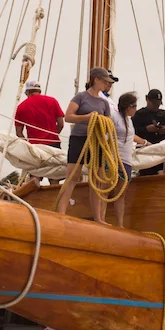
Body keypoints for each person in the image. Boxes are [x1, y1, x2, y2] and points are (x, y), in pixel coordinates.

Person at [54, 68, 116, 223]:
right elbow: (68, 117)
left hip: (97, 142)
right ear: (96, 80)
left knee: (97, 180)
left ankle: (98, 218)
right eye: (104, 81)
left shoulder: (104, 102)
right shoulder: (81, 97)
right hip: (79, 139)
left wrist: (103, 124)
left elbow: (108, 122)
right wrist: (87, 117)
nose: (107, 84)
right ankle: (61, 213)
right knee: (72, 177)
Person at [109, 92, 147, 228]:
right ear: (128, 106)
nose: (136, 109)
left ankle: (120, 224)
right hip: (113, 158)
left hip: (126, 161)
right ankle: (100, 219)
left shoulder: (129, 121)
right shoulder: (113, 117)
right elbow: (106, 136)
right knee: (105, 190)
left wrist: (146, 142)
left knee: (121, 194)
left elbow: (131, 136)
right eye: (135, 106)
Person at [132, 89, 165, 176]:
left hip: (162, 153)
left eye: (158, 104)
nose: (156, 106)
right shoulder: (139, 115)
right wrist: (146, 129)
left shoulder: (164, 114)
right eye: (154, 103)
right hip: (146, 154)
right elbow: (130, 132)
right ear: (147, 99)